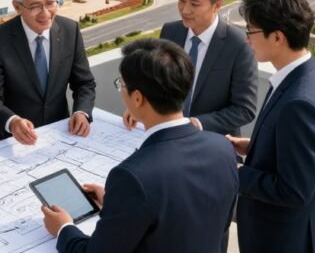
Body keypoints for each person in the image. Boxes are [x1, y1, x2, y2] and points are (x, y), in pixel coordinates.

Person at [42, 39, 239, 253]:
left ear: (137, 98)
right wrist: (117, 203)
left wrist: (64, 228)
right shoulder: (222, 148)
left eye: (122, 84)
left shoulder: (132, 177)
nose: (121, 90)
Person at [227, 0, 315, 253]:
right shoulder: (312, 76)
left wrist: (235, 171)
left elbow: (294, 191)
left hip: (284, 240)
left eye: (251, 32)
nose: (246, 40)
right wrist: (253, 146)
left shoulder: (299, 102)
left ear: (277, 37)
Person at [124, 0, 258, 137]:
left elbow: (245, 109)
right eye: (181, 0)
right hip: (167, 137)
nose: (185, 10)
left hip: (211, 142)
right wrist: (139, 107)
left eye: (194, 4)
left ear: (217, 5)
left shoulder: (239, 44)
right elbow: (156, 82)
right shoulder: (170, 32)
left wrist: (196, 124)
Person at [0, 0, 96, 144]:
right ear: (17, 7)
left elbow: (84, 83)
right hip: (12, 142)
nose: (46, 13)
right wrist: (13, 122)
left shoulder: (71, 31)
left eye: (50, 2)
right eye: (35, 6)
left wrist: (81, 112)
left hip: (59, 135)